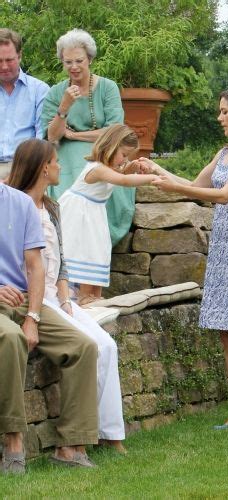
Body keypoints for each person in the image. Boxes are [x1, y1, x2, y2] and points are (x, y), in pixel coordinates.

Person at [140, 86, 228, 430]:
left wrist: (177, 188)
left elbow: (225, 194)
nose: (219, 117)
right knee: (227, 333)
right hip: (222, 246)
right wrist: (153, 168)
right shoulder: (224, 153)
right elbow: (193, 183)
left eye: (224, 111)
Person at [8, 138, 127, 454]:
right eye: (56, 161)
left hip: (56, 297)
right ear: (44, 167)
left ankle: (109, 433)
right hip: (30, 297)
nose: (60, 165)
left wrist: (65, 297)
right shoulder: (14, 206)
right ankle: (94, 436)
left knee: (106, 344)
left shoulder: (52, 206)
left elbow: (61, 262)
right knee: (95, 345)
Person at [0, 184, 98, 473]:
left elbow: (35, 266)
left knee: (83, 346)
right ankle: (13, 441)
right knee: (9, 337)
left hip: (25, 298)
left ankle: (71, 446)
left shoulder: (20, 203)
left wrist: (33, 316)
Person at [41, 28, 133, 246]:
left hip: (103, 152)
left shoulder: (107, 87)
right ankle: (68, 241)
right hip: (65, 155)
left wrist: (75, 135)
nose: (73, 67)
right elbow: (52, 137)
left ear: (90, 59)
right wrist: (64, 107)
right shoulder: (56, 92)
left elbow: (114, 132)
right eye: (68, 62)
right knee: (62, 181)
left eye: (79, 60)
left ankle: (96, 239)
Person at [58, 124, 158, 306]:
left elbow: (120, 174)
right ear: (111, 147)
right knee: (86, 252)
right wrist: (153, 178)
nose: (125, 160)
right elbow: (123, 180)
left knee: (98, 251)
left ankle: (94, 295)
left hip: (93, 214)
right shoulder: (96, 168)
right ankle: (83, 295)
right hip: (80, 216)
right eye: (124, 155)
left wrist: (129, 167)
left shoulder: (106, 168)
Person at [0, 28, 49, 179]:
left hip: (25, 169)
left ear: (20, 56)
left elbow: (43, 138)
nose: (4, 66)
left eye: (9, 60)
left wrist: (24, 173)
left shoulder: (39, 90)